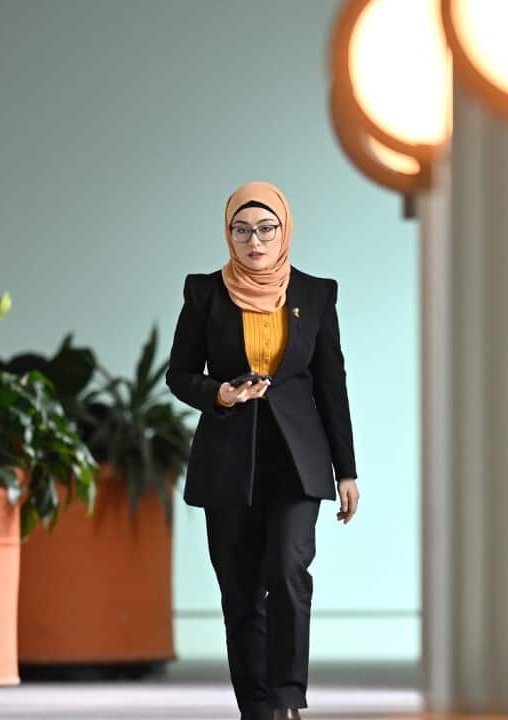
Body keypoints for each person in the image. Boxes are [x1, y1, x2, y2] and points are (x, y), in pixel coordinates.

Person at [165, 181, 360, 720]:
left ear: (284, 231)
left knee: (288, 571)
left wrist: (347, 469)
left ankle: (288, 698)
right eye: (242, 230)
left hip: (298, 460)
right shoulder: (205, 292)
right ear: (228, 234)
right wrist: (221, 393)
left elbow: (331, 384)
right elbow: (179, 374)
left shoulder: (316, 294)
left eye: (266, 229)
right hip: (230, 458)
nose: (255, 241)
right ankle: (256, 706)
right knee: (240, 586)